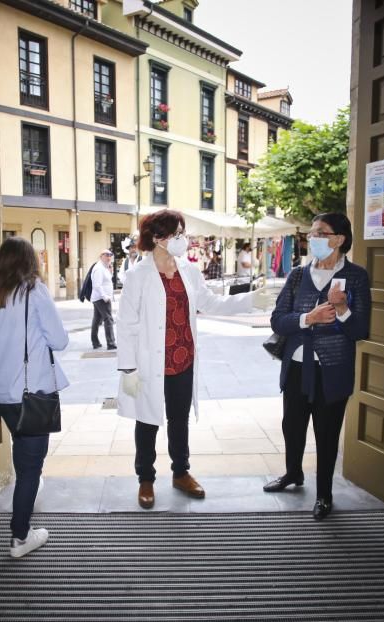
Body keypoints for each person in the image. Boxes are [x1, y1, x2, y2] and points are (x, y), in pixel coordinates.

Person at [116, 209, 269, 509]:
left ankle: (180, 472)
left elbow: (210, 302)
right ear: (158, 238)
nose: (183, 240)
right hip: (150, 362)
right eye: (177, 234)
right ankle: (145, 477)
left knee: (179, 419)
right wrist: (128, 368)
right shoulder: (138, 275)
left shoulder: (189, 270)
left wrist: (250, 300)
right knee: (147, 421)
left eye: (183, 234)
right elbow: (126, 325)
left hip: (183, 358)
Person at [263, 212, 370, 521]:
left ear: (338, 239)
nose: (312, 238)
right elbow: (277, 319)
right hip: (297, 367)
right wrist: (307, 319)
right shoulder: (298, 275)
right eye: (311, 233)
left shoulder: (357, 277)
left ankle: (324, 494)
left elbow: (360, 330)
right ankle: (292, 474)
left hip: (332, 371)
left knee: (326, 433)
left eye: (320, 233)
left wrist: (342, 308)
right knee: (292, 427)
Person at [0, 236, 69, 557]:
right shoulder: (33, 291)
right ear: (29, 262)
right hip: (30, 393)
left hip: (0, 392)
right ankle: (20, 537)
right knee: (30, 466)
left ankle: (26, 494)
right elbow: (60, 340)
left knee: (22, 450)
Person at [90, 249, 116, 350]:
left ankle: (95, 342)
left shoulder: (104, 267)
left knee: (96, 320)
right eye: (106, 255)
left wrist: (111, 272)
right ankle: (111, 343)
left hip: (100, 298)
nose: (109, 257)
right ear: (101, 256)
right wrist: (105, 296)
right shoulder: (99, 268)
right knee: (108, 319)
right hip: (101, 298)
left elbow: (107, 281)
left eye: (110, 255)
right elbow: (97, 285)